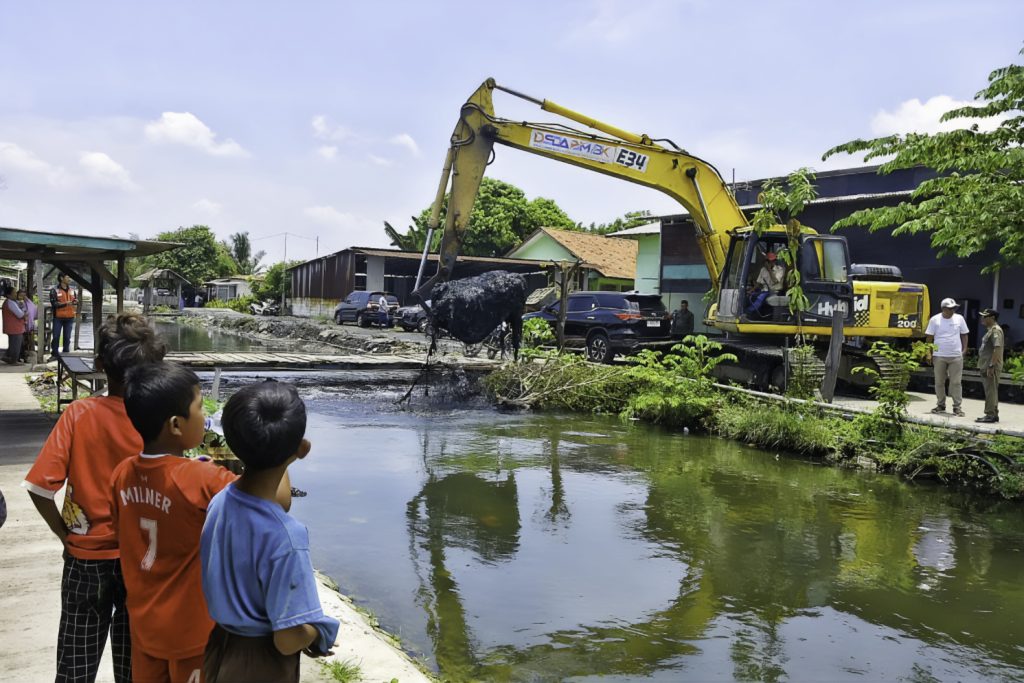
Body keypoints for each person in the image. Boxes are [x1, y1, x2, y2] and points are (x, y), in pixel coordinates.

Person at [23, 312, 167, 683]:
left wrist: (65, 535)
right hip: (143, 560)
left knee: (75, 664)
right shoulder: (158, 424)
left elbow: (41, 488)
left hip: (85, 559)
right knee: (136, 665)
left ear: (100, 364)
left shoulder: (80, 414)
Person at [201, 381, 339, 683]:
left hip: (218, 646)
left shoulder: (220, 502)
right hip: (261, 662)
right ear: (303, 449)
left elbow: (279, 498)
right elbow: (287, 638)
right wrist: (319, 630)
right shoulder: (288, 537)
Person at [112, 362, 238, 683]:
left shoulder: (122, 474)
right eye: (199, 408)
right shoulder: (204, 478)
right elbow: (261, 496)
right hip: (192, 632)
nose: (205, 417)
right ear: (176, 425)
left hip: (144, 626)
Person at [925, 297, 969, 416]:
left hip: (955, 355)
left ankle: (957, 407)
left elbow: (964, 335)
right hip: (939, 355)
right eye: (950, 308)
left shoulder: (959, 319)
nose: (952, 310)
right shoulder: (935, 320)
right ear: (943, 308)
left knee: (956, 382)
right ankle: (941, 405)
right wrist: (929, 353)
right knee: (939, 381)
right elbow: (929, 337)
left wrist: (964, 350)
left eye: (954, 308)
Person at [976, 308, 1004, 424]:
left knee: (990, 390)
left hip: (990, 365)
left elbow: (997, 349)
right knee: (991, 390)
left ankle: (990, 414)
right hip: (986, 364)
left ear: (992, 318)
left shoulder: (995, 330)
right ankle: (994, 413)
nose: (982, 318)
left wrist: (991, 365)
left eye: (985, 316)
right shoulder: (990, 330)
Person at [746, 252, 786, 317]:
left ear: (775, 261)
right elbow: (759, 283)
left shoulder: (779, 269)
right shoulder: (763, 270)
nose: (770, 263)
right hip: (764, 289)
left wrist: (769, 270)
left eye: (772, 261)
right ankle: (754, 313)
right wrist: (751, 290)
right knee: (751, 296)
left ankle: (749, 311)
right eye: (768, 261)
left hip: (774, 291)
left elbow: (775, 280)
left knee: (760, 298)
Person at [50, 272, 78, 360]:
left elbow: (75, 300)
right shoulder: (54, 290)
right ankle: (54, 354)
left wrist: (76, 302)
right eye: (67, 277)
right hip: (58, 318)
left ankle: (66, 354)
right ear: (61, 278)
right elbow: (54, 303)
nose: (69, 279)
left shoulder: (72, 290)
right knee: (56, 336)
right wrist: (66, 303)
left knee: (67, 337)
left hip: (70, 317)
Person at [3, 288, 27, 365]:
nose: (16, 294)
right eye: (14, 293)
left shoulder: (11, 302)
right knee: (16, 345)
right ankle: (14, 361)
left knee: (13, 344)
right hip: (15, 327)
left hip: (12, 327)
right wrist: (25, 314)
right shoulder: (11, 303)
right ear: (8, 295)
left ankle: (9, 358)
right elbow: (20, 314)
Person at [22, 293, 38, 363]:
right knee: (23, 342)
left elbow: (34, 313)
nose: (23, 297)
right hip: (21, 326)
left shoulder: (29, 304)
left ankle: (26, 357)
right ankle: (23, 356)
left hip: (29, 326)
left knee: (28, 342)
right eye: (21, 295)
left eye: (24, 295)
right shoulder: (19, 304)